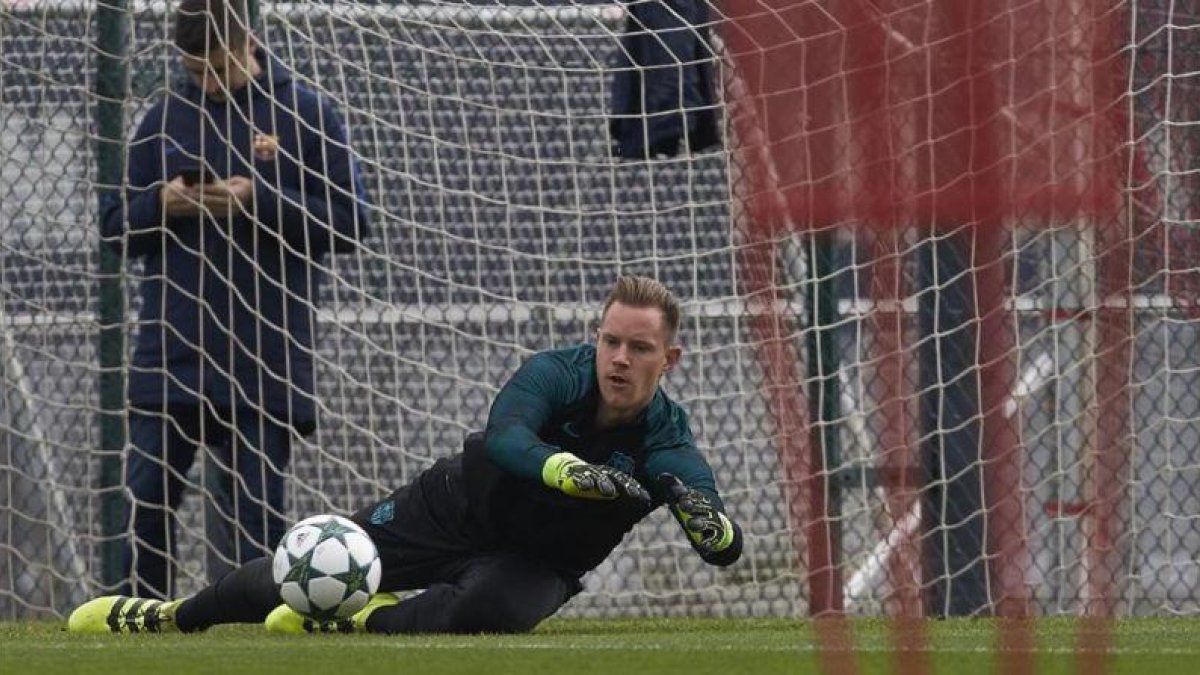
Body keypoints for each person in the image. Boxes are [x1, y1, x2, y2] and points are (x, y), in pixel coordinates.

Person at [68, 276, 742, 635]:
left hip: (538, 561)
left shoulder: (666, 439)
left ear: (670, 358)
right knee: (309, 557)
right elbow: (506, 435)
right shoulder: (556, 372)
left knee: (488, 616)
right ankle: (167, 614)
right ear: (596, 337)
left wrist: (715, 529)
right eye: (610, 340)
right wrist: (566, 470)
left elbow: (711, 522)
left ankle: (358, 617)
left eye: (640, 347)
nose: (619, 358)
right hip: (449, 508)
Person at [99, 0, 371, 598]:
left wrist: (259, 199)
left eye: (220, 68)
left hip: (263, 356)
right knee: (144, 505)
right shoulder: (164, 117)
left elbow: (351, 221)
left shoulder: (305, 111)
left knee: (255, 519)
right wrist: (160, 206)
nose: (210, 84)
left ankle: (254, 625)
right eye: (198, 72)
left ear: (248, 42)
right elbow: (114, 223)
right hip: (171, 355)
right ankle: (138, 622)